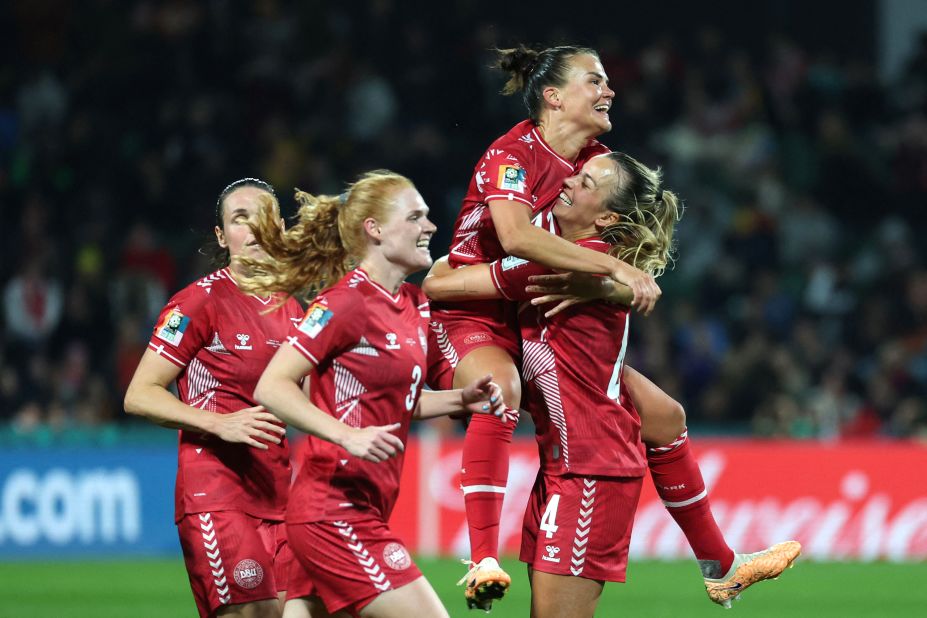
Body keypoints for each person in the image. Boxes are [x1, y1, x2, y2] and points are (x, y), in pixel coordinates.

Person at [430, 44, 799, 611]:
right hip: (484, 312)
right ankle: (482, 555)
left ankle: (721, 565)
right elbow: (509, 244)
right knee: (497, 394)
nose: (610, 91)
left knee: (665, 415)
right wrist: (614, 272)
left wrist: (613, 278)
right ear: (553, 97)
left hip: (547, 359)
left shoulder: (592, 164)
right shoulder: (513, 155)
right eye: (595, 81)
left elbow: (617, 229)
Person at [240, 171, 505, 618]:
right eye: (415, 216)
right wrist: (345, 434)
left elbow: (399, 401)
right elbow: (272, 385)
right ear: (375, 230)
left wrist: (460, 400)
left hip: (365, 504)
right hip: (333, 509)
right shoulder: (344, 303)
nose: (430, 226)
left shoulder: (414, 304)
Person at [124, 178, 300, 618]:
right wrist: (221, 422)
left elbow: (318, 403)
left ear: (280, 226)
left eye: (262, 216)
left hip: (281, 496)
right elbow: (139, 394)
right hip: (216, 491)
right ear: (223, 237)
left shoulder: (294, 309)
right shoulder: (198, 303)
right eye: (239, 219)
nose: (253, 228)